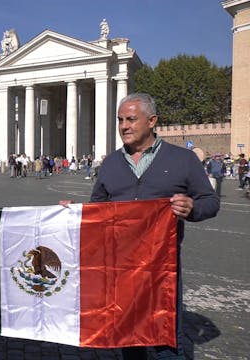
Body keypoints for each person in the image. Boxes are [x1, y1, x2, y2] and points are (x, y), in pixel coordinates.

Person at [91, 93, 219, 359]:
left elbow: (210, 201)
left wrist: (192, 208)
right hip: (121, 267)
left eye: (130, 119)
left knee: (167, 342)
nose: (123, 126)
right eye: (120, 120)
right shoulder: (111, 163)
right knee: (128, 338)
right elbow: (98, 208)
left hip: (163, 268)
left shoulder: (182, 160)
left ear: (152, 121)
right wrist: (74, 213)